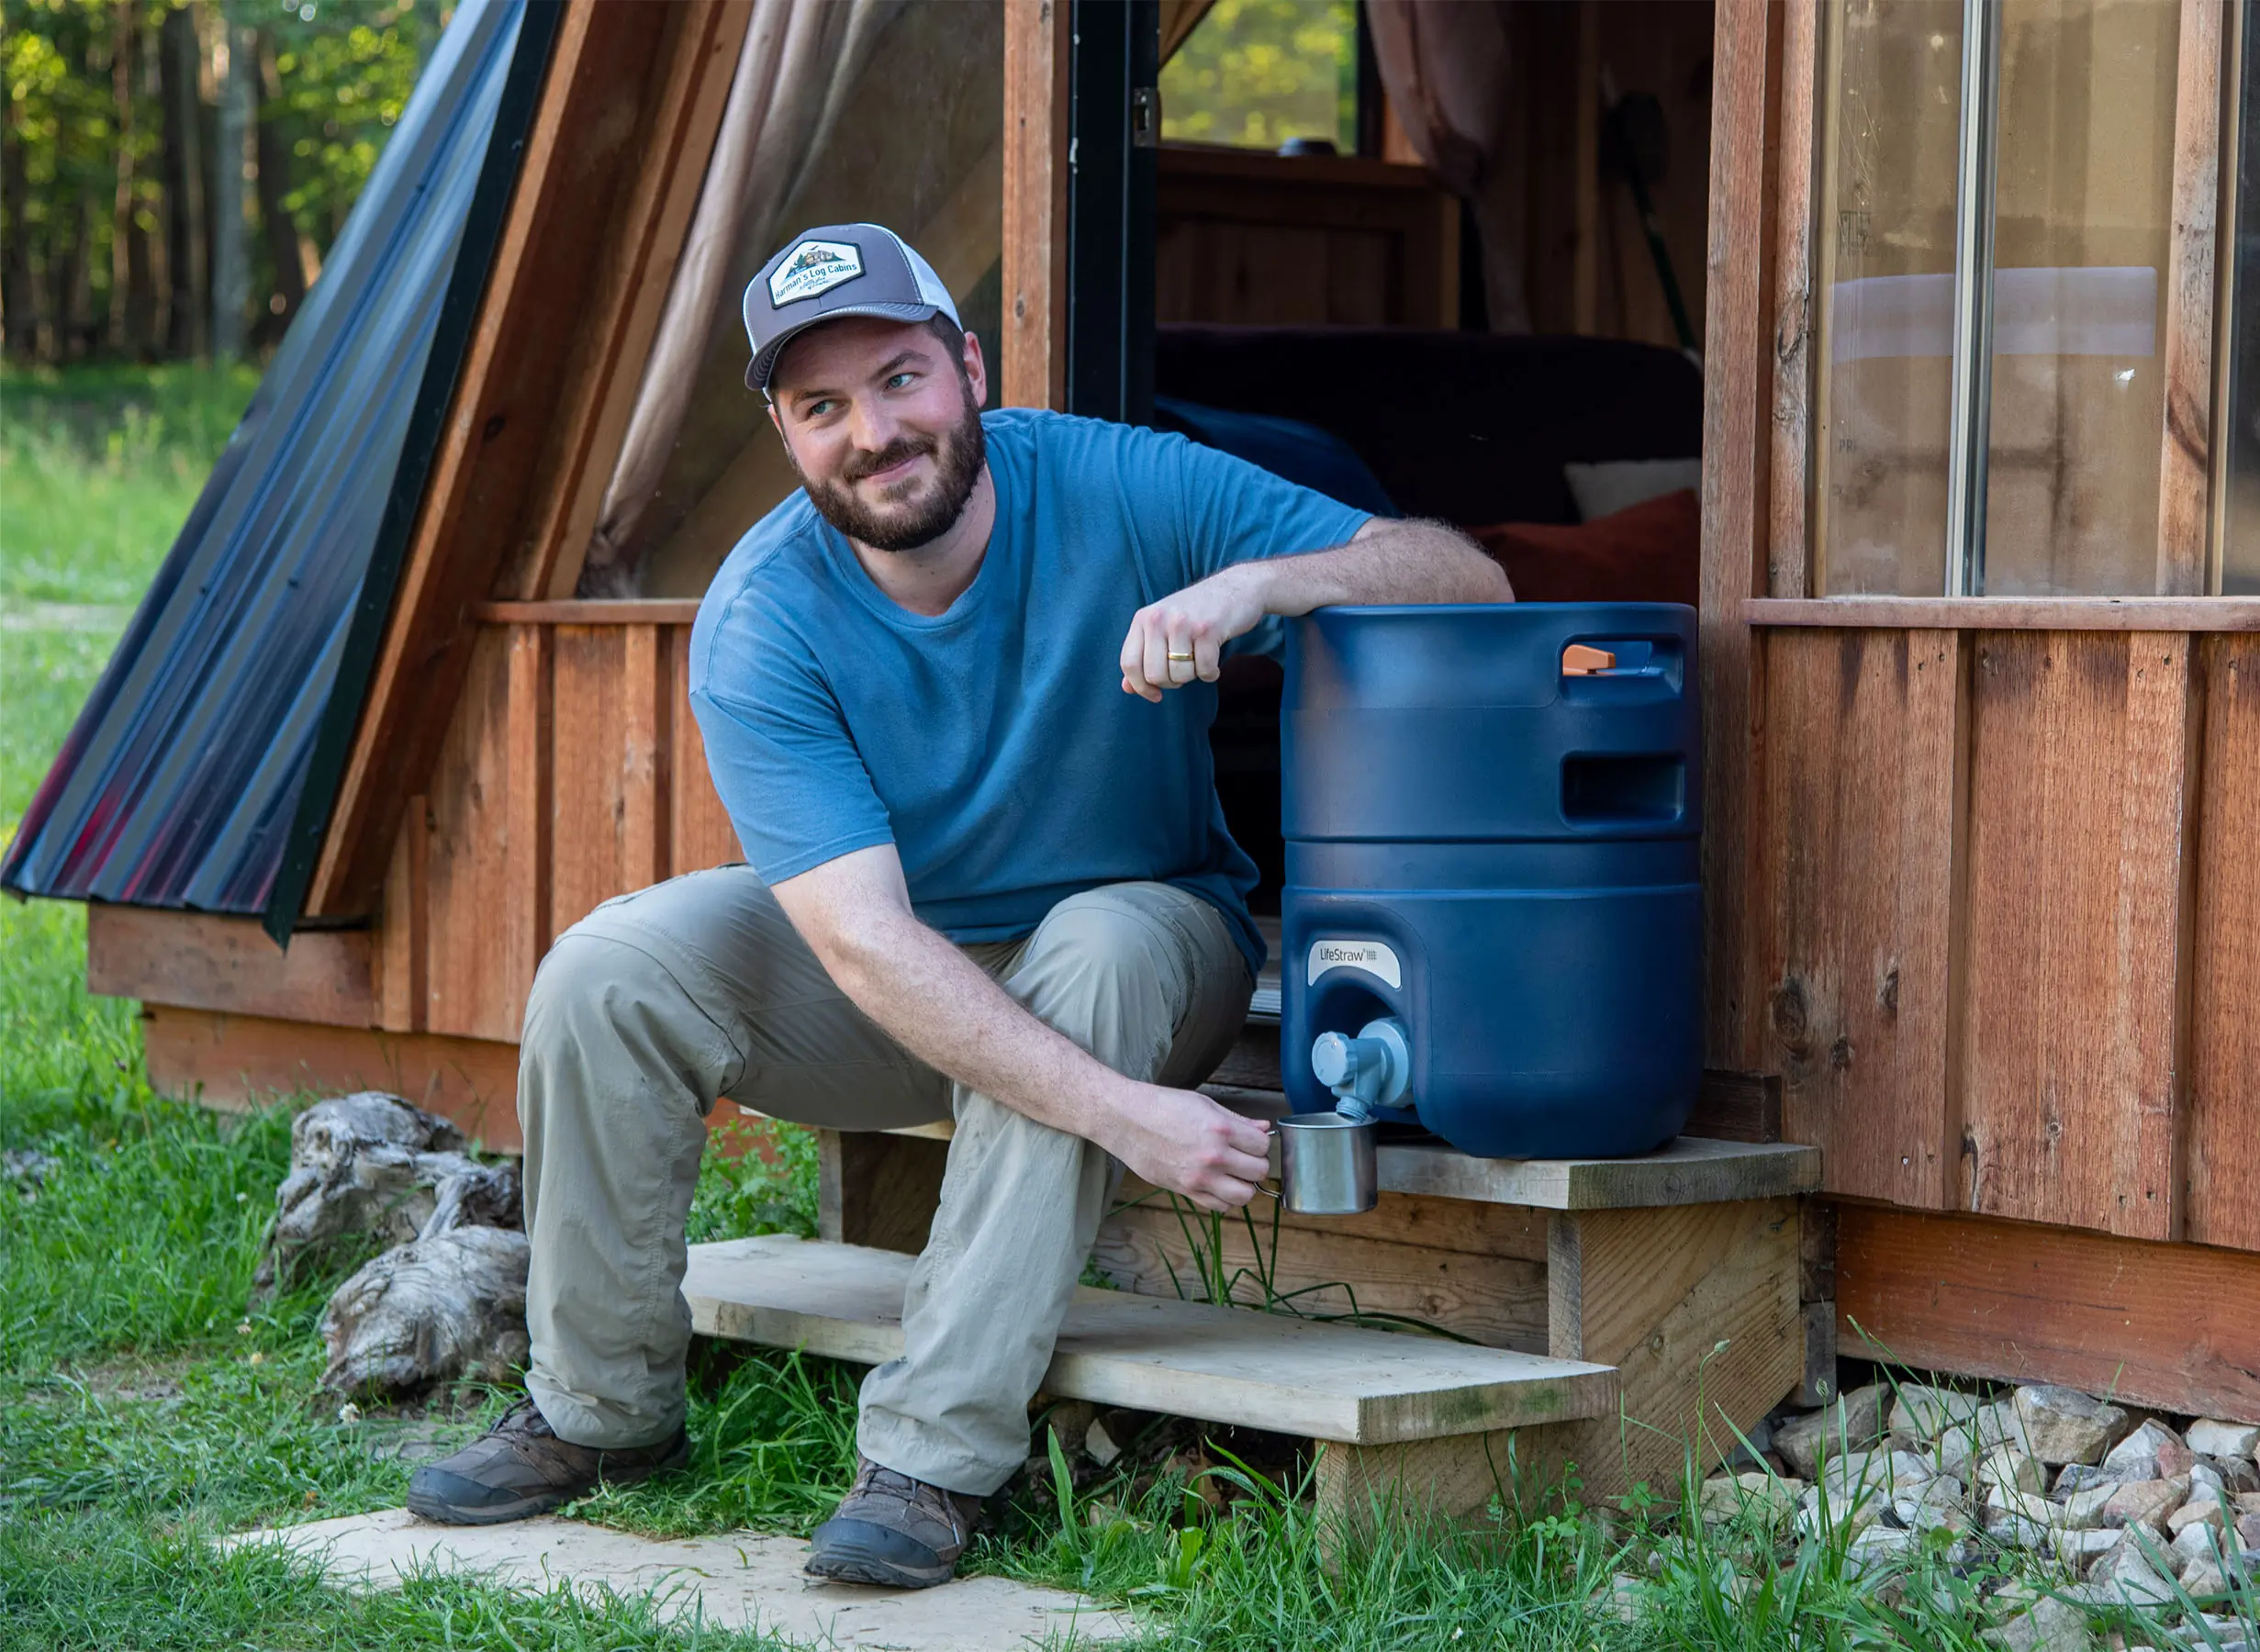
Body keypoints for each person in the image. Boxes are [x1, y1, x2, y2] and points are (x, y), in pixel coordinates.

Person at [407, 223, 1509, 1587]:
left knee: (1094, 952)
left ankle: (932, 1455)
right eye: (823, 408)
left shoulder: (1121, 482)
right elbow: (866, 946)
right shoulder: (763, 617)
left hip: (1146, 929)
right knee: (607, 968)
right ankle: (599, 1408)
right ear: (786, 436)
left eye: (899, 378)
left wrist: (1259, 583)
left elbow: (1469, 580)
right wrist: (1130, 1120)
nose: (873, 431)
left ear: (968, 368)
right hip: (904, 968)